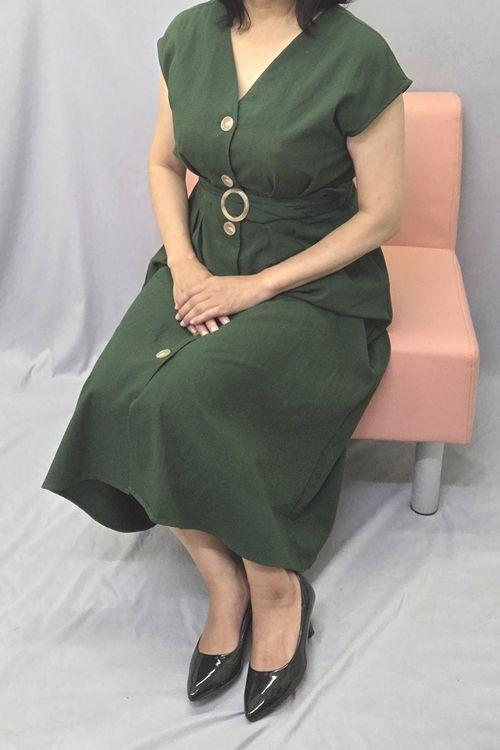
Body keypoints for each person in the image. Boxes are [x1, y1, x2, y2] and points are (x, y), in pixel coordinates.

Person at [41, 0, 412, 722]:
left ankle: (276, 589)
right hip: (202, 261)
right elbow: (163, 162)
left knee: (186, 399)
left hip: (312, 282)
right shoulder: (190, 34)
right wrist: (184, 267)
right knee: (116, 394)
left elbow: (383, 214)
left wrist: (257, 286)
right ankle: (223, 581)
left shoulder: (359, 54)